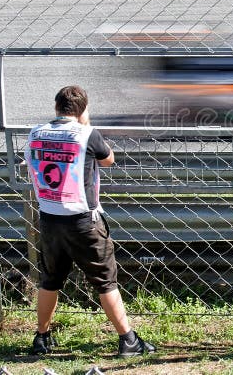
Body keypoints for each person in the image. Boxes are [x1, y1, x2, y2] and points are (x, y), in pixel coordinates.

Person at [25, 85, 155, 358]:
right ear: (83, 109)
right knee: (106, 281)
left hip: (49, 216)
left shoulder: (36, 133)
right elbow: (108, 159)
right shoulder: (86, 134)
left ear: (56, 107)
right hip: (84, 219)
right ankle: (128, 340)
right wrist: (86, 124)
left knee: (50, 280)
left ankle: (41, 337)